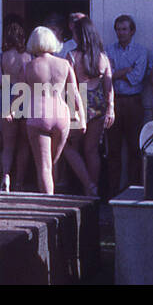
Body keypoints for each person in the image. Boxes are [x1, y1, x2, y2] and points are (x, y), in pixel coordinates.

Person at [22, 25, 83, 196]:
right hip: (61, 115)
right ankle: (53, 199)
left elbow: (19, 93)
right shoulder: (64, 64)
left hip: (39, 115)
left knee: (44, 166)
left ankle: (48, 205)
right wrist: (82, 118)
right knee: (54, 163)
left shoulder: (29, 66)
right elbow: (75, 93)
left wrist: (11, 111)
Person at [63, 16, 112, 198]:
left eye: (75, 33)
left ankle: (88, 184)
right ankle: (92, 192)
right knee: (92, 150)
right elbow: (109, 86)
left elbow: (69, 86)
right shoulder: (103, 57)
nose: (73, 37)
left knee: (68, 147)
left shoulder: (72, 56)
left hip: (78, 102)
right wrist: (111, 108)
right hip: (98, 102)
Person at [108, 14, 149, 193]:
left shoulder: (141, 51)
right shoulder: (108, 50)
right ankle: (112, 191)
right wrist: (125, 71)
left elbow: (136, 78)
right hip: (114, 101)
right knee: (113, 150)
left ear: (132, 31)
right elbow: (106, 76)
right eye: (118, 29)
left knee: (134, 148)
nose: (121, 33)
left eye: (124, 29)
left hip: (133, 103)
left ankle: (133, 189)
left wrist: (117, 73)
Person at [0, 18, 31, 191]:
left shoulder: (1, 58)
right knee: (23, 143)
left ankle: (6, 176)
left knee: (7, 145)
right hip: (24, 97)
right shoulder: (28, 57)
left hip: (6, 97)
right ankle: (20, 182)